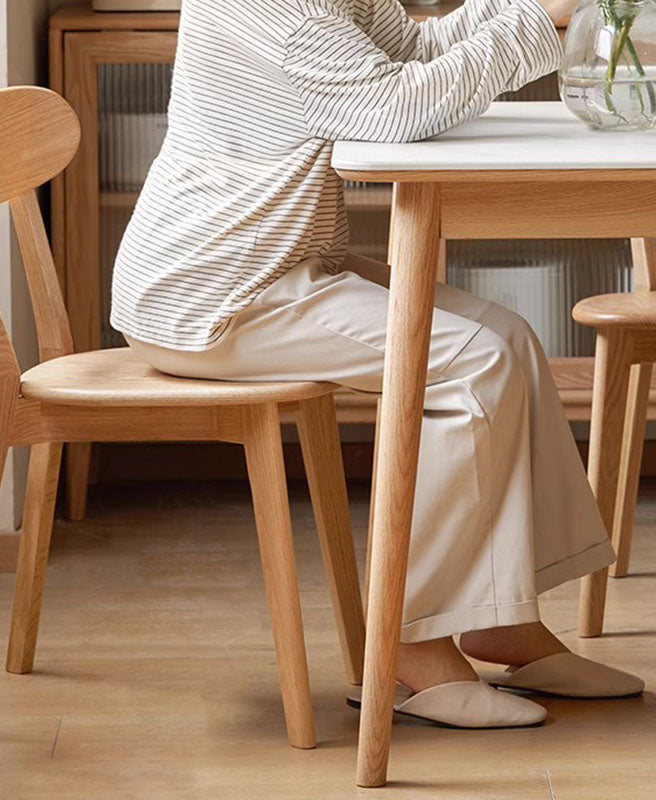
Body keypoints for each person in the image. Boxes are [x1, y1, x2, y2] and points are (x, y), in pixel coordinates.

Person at [111, 0, 644, 727]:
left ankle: (501, 618)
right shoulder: (275, 10)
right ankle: (413, 645)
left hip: (273, 267)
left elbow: (413, 48)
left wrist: (524, 6)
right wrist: (532, 23)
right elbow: (395, 110)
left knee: (508, 337)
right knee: (473, 361)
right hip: (218, 292)